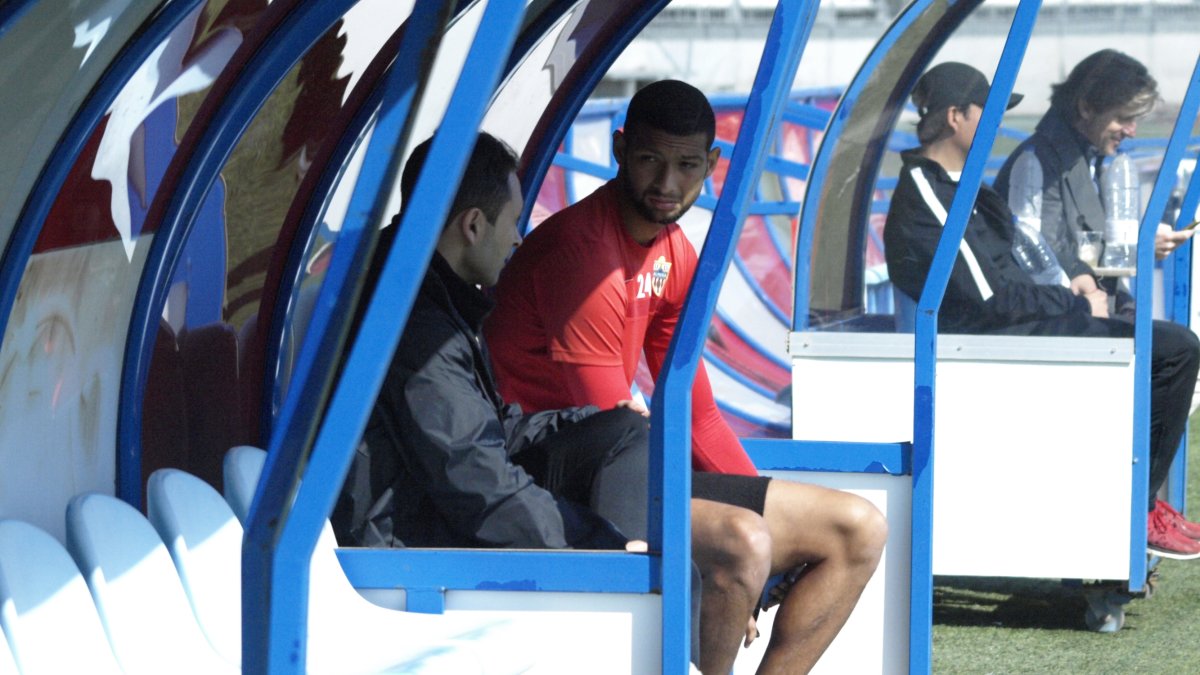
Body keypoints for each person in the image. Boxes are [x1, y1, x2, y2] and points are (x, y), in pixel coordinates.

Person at [486, 80, 889, 673]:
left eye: (686, 165)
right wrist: (741, 564)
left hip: (620, 458)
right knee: (742, 545)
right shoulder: (582, 254)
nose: (667, 185)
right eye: (650, 160)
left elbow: (695, 413)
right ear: (621, 150)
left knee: (858, 529)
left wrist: (766, 537)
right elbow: (610, 443)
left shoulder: (673, 253)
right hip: (550, 474)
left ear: (712, 165)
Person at [883, 61, 1200, 559]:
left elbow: (1017, 260)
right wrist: (1073, 300)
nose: (994, 124)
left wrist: (1072, 282)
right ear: (954, 117)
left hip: (1014, 328)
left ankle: (1138, 504)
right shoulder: (928, 192)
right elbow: (991, 298)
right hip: (987, 347)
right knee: (1174, 349)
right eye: (985, 111)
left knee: (1163, 343)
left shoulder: (956, 185)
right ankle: (1135, 509)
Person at [334, 132, 648, 552]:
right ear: (473, 225)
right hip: (405, 541)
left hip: (432, 510)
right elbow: (474, 478)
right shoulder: (419, 326)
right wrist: (596, 542)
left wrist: (590, 419)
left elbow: (494, 429)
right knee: (684, 571)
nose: (518, 239)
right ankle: (628, 586)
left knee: (625, 429)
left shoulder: (433, 293)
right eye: (512, 221)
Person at [994, 50, 1195, 313]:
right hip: (1068, 316)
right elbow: (1043, 252)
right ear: (1086, 108)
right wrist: (1138, 248)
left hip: (1086, 309)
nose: (1132, 132)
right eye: (1123, 118)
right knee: (1182, 348)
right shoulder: (1039, 163)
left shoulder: (1082, 157)